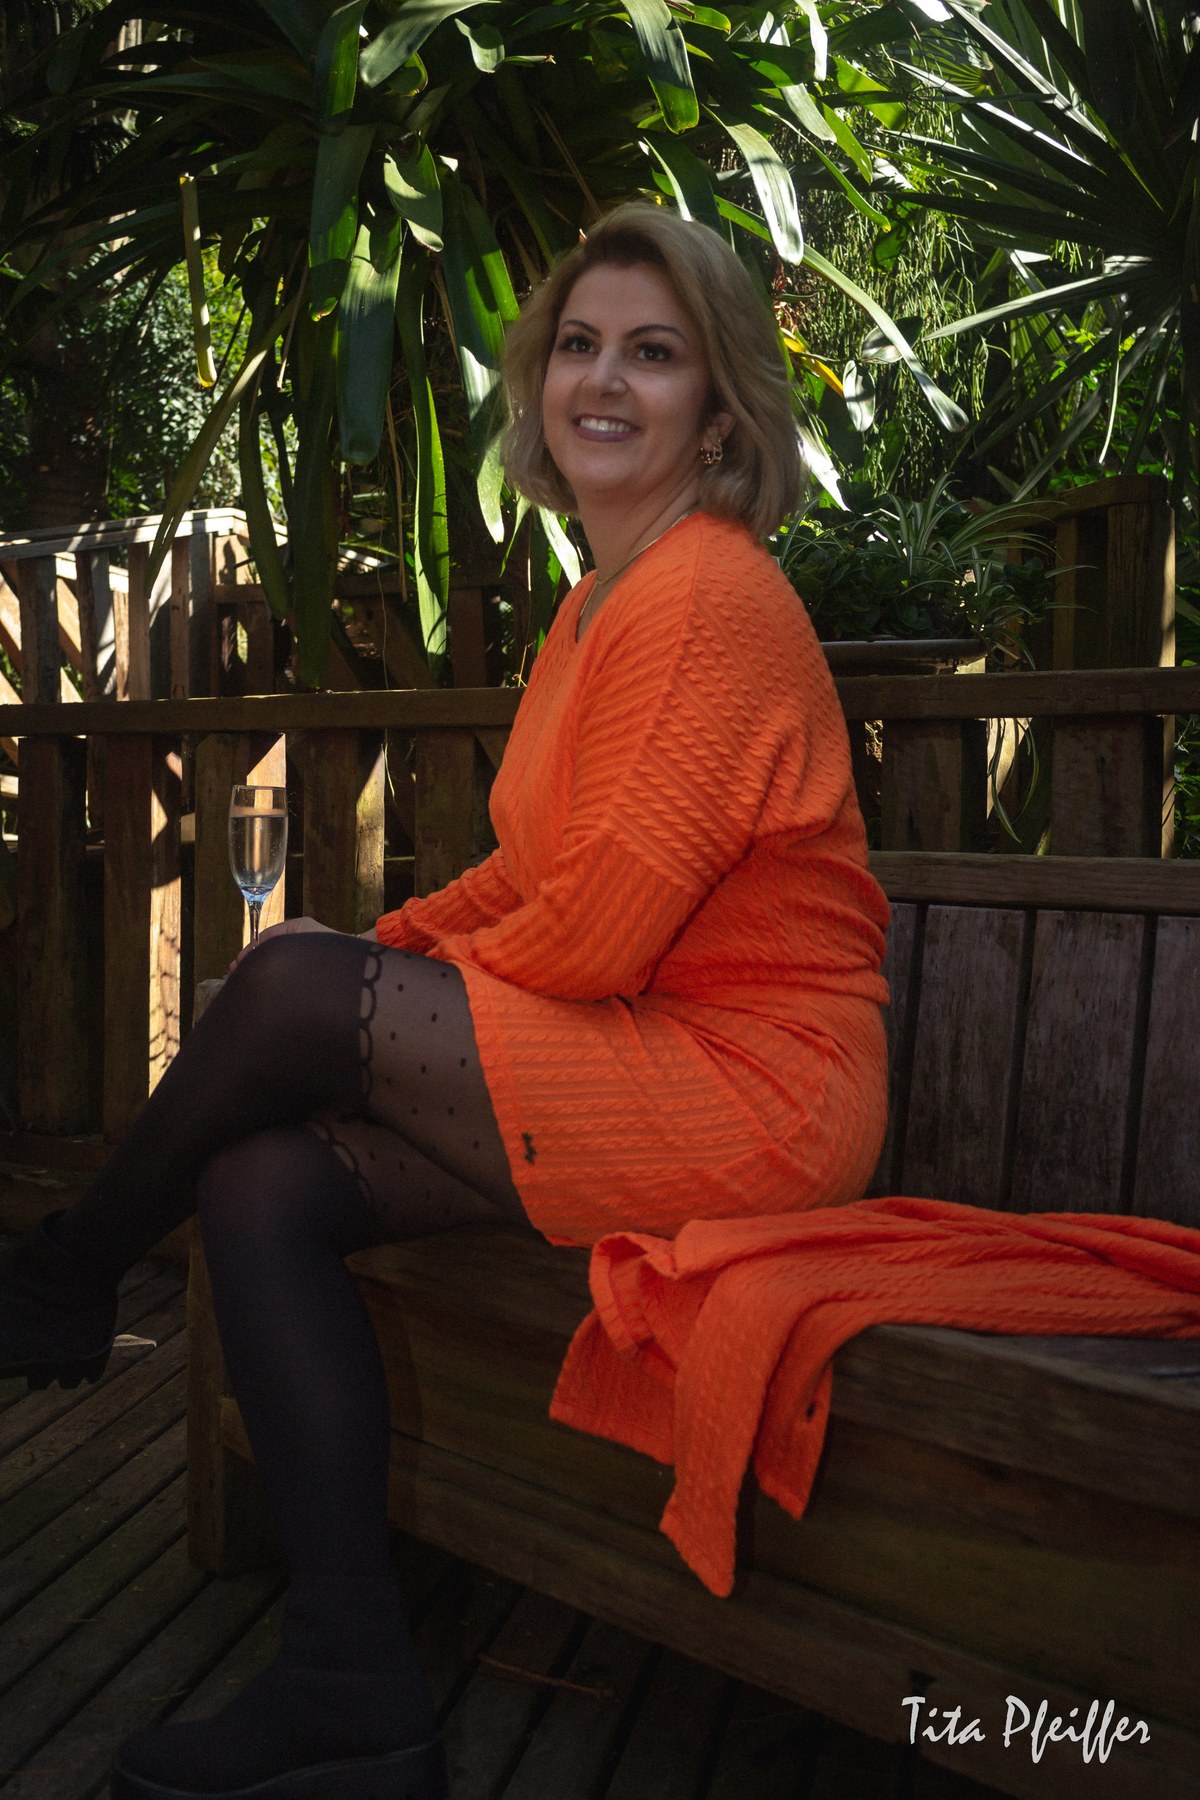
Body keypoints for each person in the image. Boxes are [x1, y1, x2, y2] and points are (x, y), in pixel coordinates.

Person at [0, 202, 889, 1800]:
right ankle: (352, 1685)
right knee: (261, 1182)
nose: (601, 379)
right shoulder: (601, 606)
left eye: (654, 353)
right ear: (538, 380)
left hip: (755, 1091)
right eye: (577, 345)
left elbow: (595, 935)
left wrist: (341, 996)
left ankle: (61, 1274)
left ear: (718, 409)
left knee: (293, 995)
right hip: (644, 1060)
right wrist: (370, 951)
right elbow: (523, 878)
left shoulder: (706, 596)